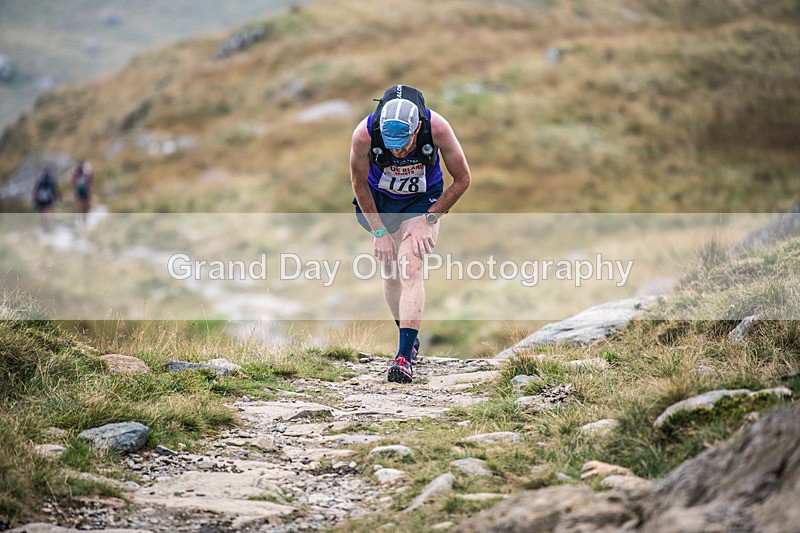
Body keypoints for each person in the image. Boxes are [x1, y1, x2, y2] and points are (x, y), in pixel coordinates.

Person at [349, 85, 472, 383]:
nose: (398, 151)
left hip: (423, 200)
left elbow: (463, 179)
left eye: (403, 144)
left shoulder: (438, 128)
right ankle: (409, 337)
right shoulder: (364, 135)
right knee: (391, 273)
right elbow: (359, 184)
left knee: (411, 266)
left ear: (417, 128)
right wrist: (379, 230)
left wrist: (428, 219)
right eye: (391, 146)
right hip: (381, 201)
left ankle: (404, 357)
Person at [32, 167, 60, 231]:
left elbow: (35, 189)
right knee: (48, 210)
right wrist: (57, 197)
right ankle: (48, 223)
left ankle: (45, 223)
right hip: (49, 196)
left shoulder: (39, 178)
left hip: (40, 197)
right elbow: (55, 189)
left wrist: (34, 199)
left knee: (42, 211)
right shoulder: (52, 178)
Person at [72, 160, 94, 224]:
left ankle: (80, 218)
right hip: (85, 191)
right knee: (85, 204)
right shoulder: (86, 171)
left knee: (80, 204)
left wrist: (74, 189)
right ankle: (83, 219)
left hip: (79, 191)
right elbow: (91, 180)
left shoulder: (76, 172)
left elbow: (73, 181)